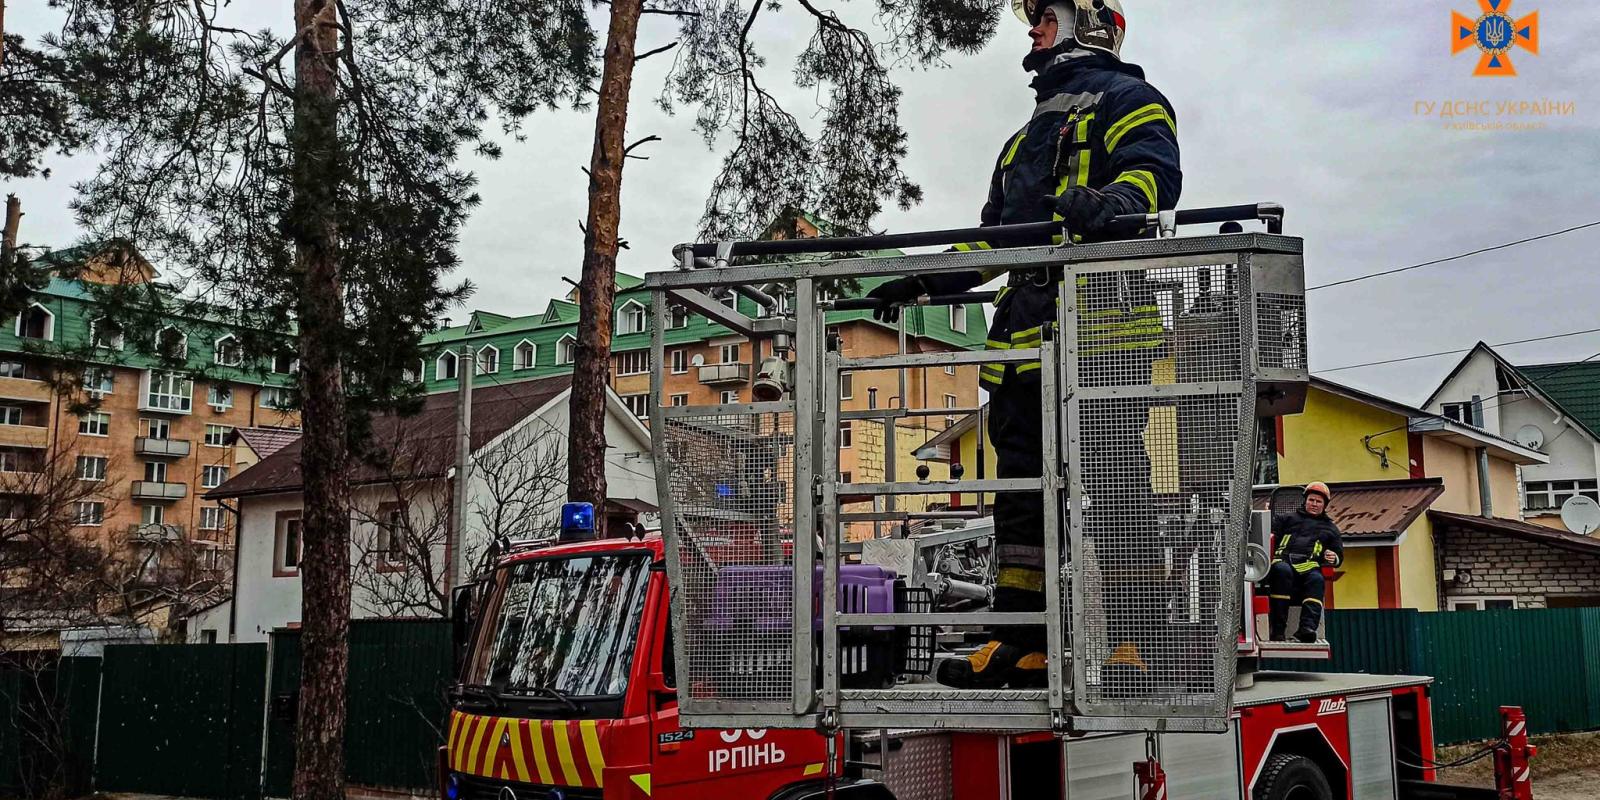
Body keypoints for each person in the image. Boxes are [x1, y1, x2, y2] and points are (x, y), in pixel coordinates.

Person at [867, 0, 1180, 689]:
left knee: (1116, 491)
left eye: (1045, 16)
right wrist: (924, 278)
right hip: (1021, 349)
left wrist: (1113, 207)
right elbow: (996, 241)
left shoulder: (1132, 99)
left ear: (1087, 23)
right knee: (1020, 502)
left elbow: (1153, 180)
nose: (1033, 29)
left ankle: (1138, 645)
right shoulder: (1019, 142)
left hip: (1100, 340)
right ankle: (1023, 642)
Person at [1266, 482, 1344, 643]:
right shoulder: (1286, 519)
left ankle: (1307, 629)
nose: (1314, 504)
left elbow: (1338, 556)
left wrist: (1333, 557)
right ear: (1305, 501)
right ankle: (1278, 630)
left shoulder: (1331, 529)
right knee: (1281, 571)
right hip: (1283, 562)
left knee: (1317, 580)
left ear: (1324, 505)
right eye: (1311, 500)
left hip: (1309, 567)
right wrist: (1267, 516)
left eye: (1318, 501)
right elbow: (1269, 535)